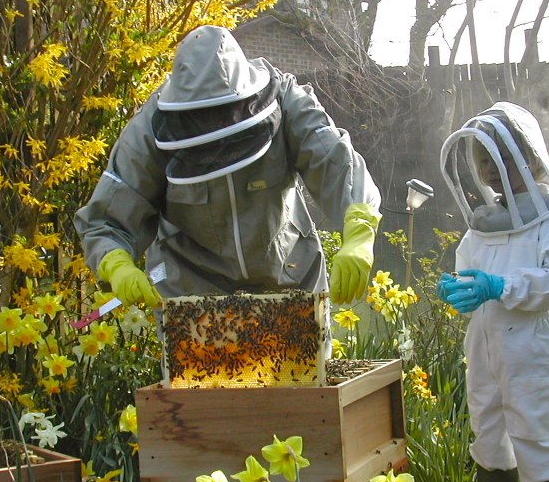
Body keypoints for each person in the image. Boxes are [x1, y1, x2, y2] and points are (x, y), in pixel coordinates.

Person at [74, 25, 381, 310]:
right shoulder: (148, 130)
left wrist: (358, 230)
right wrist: (116, 262)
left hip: (290, 276)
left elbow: (337, 162)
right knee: (201, 371)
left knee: (302, 370)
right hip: (191, 291)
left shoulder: (288, 102)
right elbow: (108, 219)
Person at [436, 102, 549, 482]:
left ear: (527, 156)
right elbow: (469, 268)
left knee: (541, 437)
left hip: (530, 345)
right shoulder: (483, 221)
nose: (487, 168)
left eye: (498, 157)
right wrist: (458, 287)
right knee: (487, 433)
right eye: (482, 159)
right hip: (483, 342)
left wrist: (500, 286)